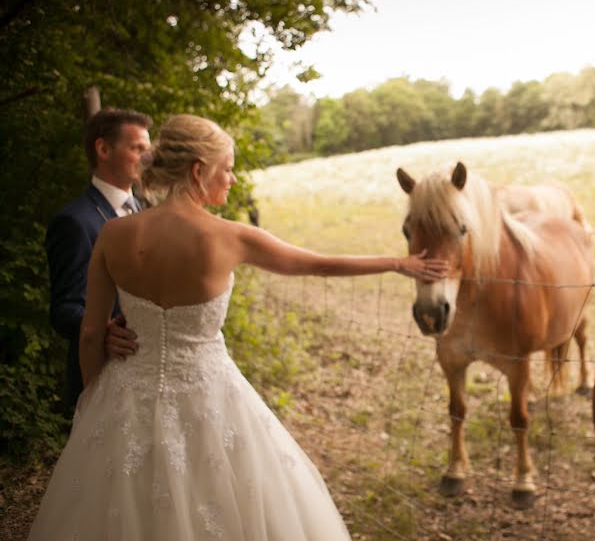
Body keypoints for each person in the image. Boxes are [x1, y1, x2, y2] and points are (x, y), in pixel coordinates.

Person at [29, 114, 447, 540]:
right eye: (226, 168)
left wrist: (93, 406)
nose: (230, 178)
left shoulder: (113, 235)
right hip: (211, 398)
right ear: (198, 170)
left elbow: (90, 334)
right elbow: (318, 264)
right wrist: (399, 263)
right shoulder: (231, 238)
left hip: (125, 396)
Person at [45, 108, 150, 412]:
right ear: (103, 149)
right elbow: (64, 308)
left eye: (148, 149)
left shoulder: (145, 210)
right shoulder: (75, 222)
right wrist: (102, 330)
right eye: (137, 148)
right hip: (102, 372)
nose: (146, 158)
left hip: (148, 370)